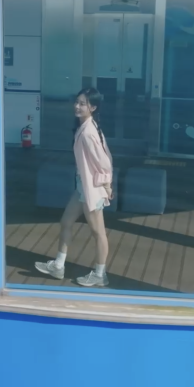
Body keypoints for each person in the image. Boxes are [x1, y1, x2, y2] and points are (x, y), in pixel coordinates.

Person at [35, 88, 114, 287]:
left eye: (83, 104)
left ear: (92, 107)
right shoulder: (86, 126)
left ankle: (100, 274)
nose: (77, 106)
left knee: (98, 233)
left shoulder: (88, 132)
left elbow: (105, 162)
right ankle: (58, 265)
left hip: (92, 189)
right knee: (66, 222)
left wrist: (106, 185)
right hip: (83, 186)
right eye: (77, 102)